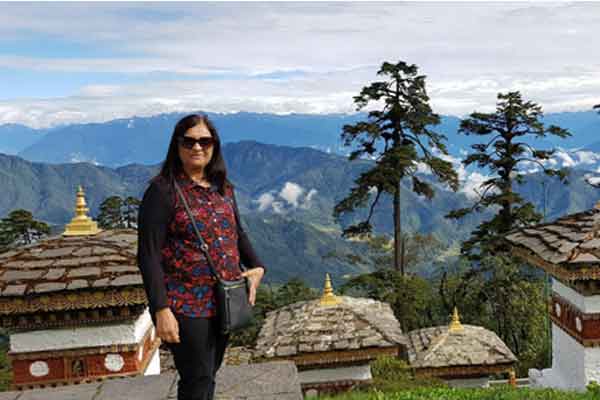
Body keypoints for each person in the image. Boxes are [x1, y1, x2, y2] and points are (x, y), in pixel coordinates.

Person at [137, 114, 266, 400]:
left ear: (214, 146)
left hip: (226, 299)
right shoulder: (163, 191)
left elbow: (238, 233)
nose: (197, 147)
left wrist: (257, 266)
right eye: (189, 141)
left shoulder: (222, 187)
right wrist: (161, 309)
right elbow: (148, 255)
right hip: (186, 303)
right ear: (177, 146)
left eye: (205, 141)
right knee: (197, 378)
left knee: (208, 374)